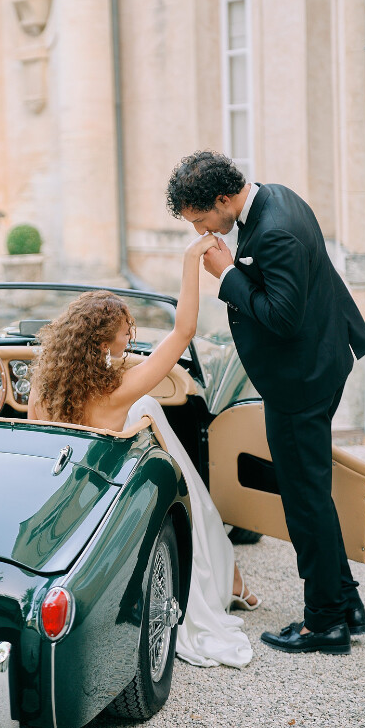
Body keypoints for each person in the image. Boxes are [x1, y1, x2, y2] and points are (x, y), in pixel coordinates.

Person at [168, 152, 365, 656]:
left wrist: (225, 274)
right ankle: (345, 603)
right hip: (321, 362)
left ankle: (324, 623)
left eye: (199, 219)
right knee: (311, 491)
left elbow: (281, 317)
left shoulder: (274, 230)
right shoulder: (276, 196)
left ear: (222, 200)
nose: (199, 230)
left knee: (304, 499)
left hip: (301, 380)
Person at [27, 240, 254, 668]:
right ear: (103, 340)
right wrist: (190, 261)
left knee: (146, 409)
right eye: (124, 333)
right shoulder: (116, 392)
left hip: (59, 497)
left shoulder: (42, 385)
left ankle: (230, 572)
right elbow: (183, 331)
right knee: (149, 412)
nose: (128, 340)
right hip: (104, 497)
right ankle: (225, 567)